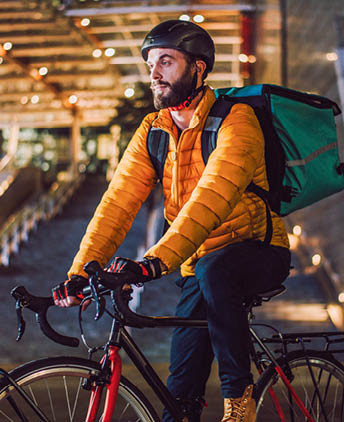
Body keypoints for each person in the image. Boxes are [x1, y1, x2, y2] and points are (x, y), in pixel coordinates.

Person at [52, 19, 290, 422]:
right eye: (150, 64)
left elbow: (209, 200)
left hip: (258, 252)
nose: (155, 73)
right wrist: (80, 271)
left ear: (199, 68)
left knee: (216, 269)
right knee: (178, 397)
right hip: (200, 265)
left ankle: (239, 400)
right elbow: (117, 205)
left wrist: (154, 261)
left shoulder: (236, 120)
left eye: (166, 61)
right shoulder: (153, 130)